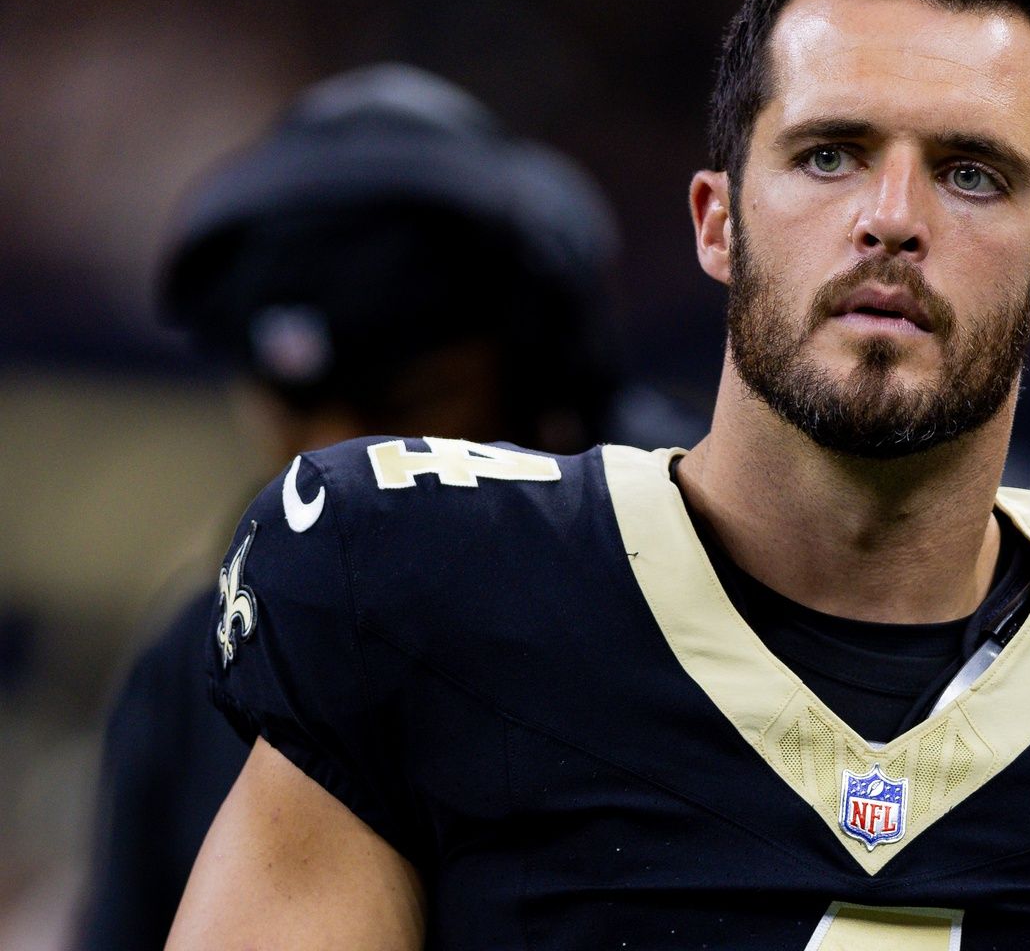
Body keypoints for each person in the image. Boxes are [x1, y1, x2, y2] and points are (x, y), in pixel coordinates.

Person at [167, 0, 1030, 950]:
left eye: (971, 172)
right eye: (829, 155)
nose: (892, 217)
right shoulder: (421, 586)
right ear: (717, 221)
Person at [75, 63, 696, 951]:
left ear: (544, 375)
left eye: (398, 407)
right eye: (292, 411)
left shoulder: (715, 575)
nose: (331, 470)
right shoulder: (201, 660)